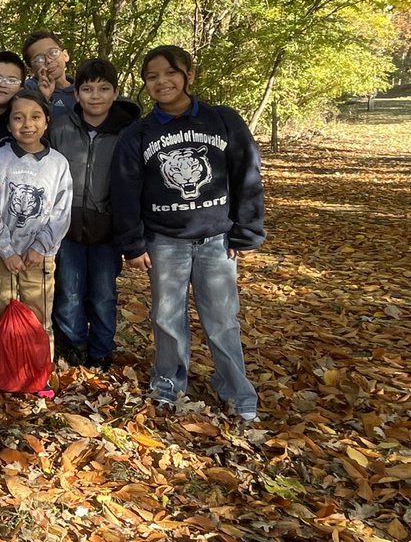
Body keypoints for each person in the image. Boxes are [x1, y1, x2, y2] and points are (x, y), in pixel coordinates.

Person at [112, 45, 264, 421]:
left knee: (223, 319)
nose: (161, 82)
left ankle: (235, 390)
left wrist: (247, 231)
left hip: (216, 241)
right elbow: (124, 190)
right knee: (166, 319)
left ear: (189, 75)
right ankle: (167, 384)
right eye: (151, 77)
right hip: (164, 242)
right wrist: (132, 243)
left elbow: (248, 173)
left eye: (169, 73)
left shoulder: (223, 121)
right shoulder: (139, 134)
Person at [48, 59, 139, 370]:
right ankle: (73, 348)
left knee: (103, 294)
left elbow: (136, 181)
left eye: (103, 89)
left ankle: (101, 352)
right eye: (87, 89)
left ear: (114, 93)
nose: (95, 96)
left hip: (107, 229)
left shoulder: (127, 133)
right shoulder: (60, 127)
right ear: (76, 93)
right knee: (69, 290)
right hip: (67, 226)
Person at [0, 90, 72, 389]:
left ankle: (38, 373)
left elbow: (61, 211)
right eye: (18, 117)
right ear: (9, 124)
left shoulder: (58, 164)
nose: (27, 124)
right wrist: (5, 249)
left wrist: (40, 247)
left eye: (35, 117)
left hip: (39, 257)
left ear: (46, 122)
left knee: (38, 314)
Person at [22, 31, 74, 116]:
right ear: (31, 70)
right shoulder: (28, 89)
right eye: (39, 59)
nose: (48, 61)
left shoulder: (82, 89)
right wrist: (43, 98)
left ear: (65, 55)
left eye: (53, 53)